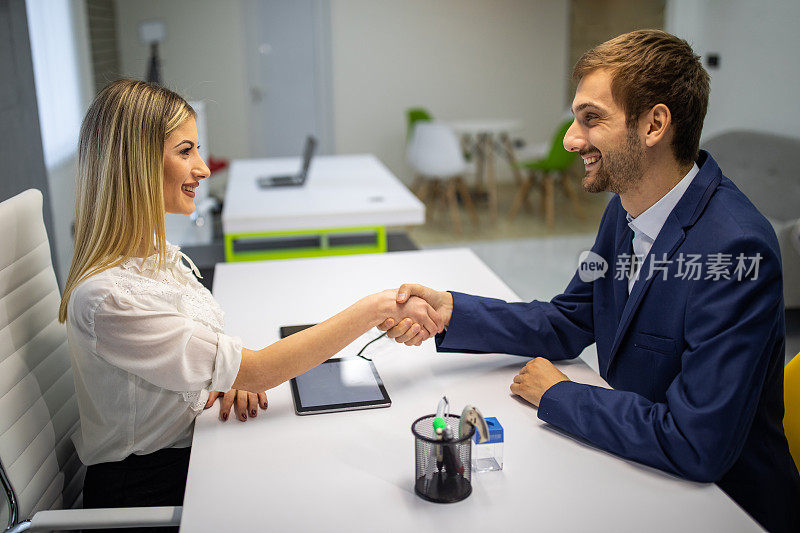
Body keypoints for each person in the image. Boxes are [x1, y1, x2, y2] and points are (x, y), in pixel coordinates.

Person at [379, 30, 799, 532]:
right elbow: (569, 320)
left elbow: (696, 443)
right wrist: (452, 311)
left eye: (591, 118)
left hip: (726, 508)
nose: (570, 140)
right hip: (636, 473)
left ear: (654, 125)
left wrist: (559, 395)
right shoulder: (625, 209)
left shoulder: (735, 249)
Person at [58, 79, 443, 522]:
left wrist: (221, 373)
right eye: (185, 152)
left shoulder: (152, 257)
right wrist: (378, 308)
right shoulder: (111, 297)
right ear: (137, 164)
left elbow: (215, 356)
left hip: (193, 447)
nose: (203, 168)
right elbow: (259, 371)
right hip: (147, 489)